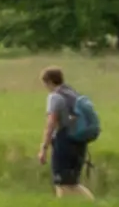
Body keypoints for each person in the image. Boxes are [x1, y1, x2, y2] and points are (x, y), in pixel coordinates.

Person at [37, 67, 96, 200]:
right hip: (79, 141)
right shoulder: (73, 93)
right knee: (72, 183)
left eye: (45, 83)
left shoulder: (55, 97)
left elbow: (51, 123)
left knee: (61, 182)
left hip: (64, 141)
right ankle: (92, 202)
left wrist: (44, 148)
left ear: (50, 82)